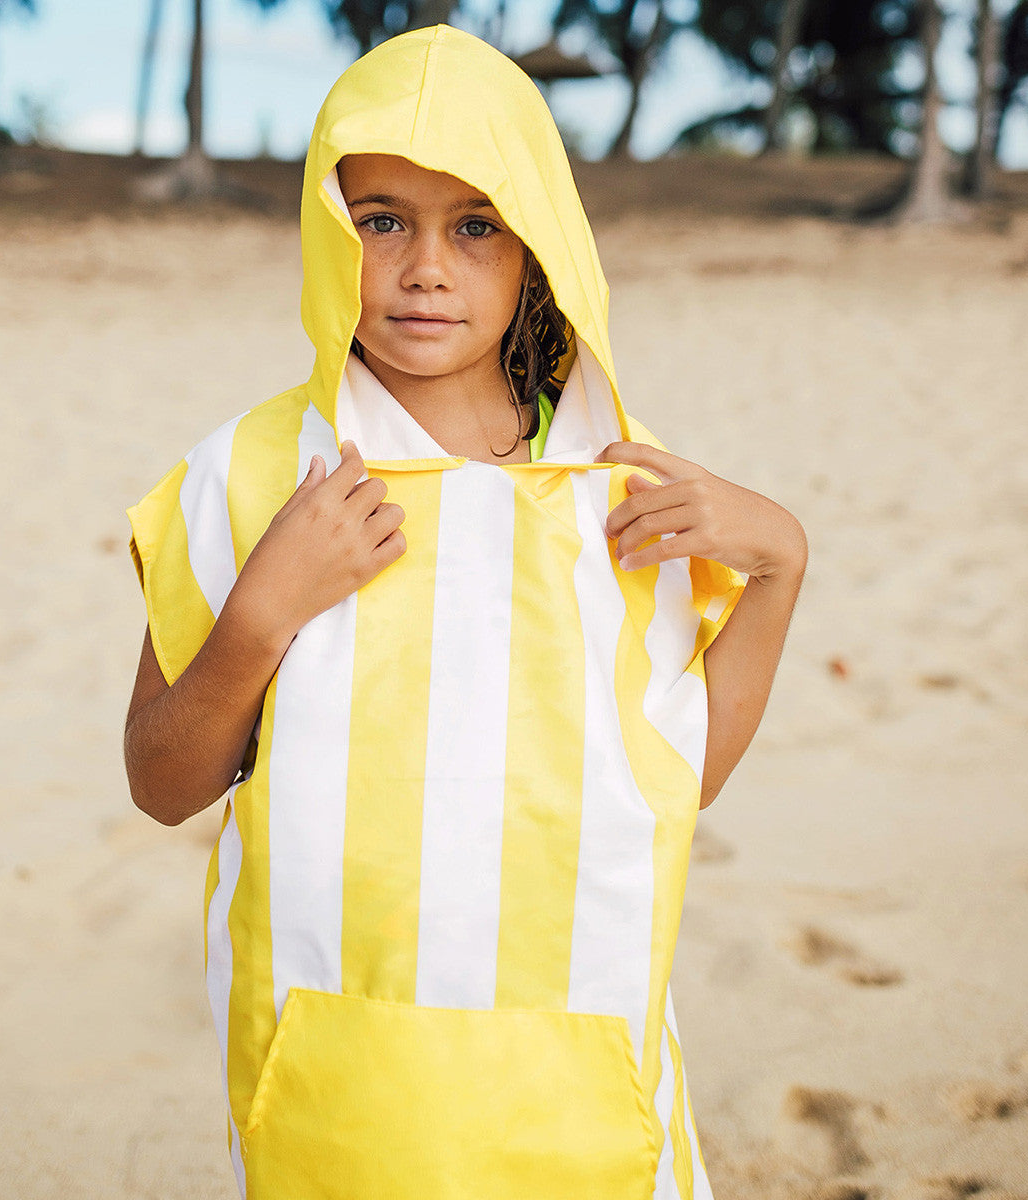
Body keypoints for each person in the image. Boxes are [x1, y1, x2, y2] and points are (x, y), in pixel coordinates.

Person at [123, 24, 805, 1200]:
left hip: (587, 1082)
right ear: (328, 230)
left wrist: (782, 561)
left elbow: (677, 778)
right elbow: (163, 779)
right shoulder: (248, 474)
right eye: (381, 218)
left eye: (476, 223)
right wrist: (263, 613)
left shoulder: (620, 491)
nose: (425, 266)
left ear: (539, 247)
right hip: (339, 1088)